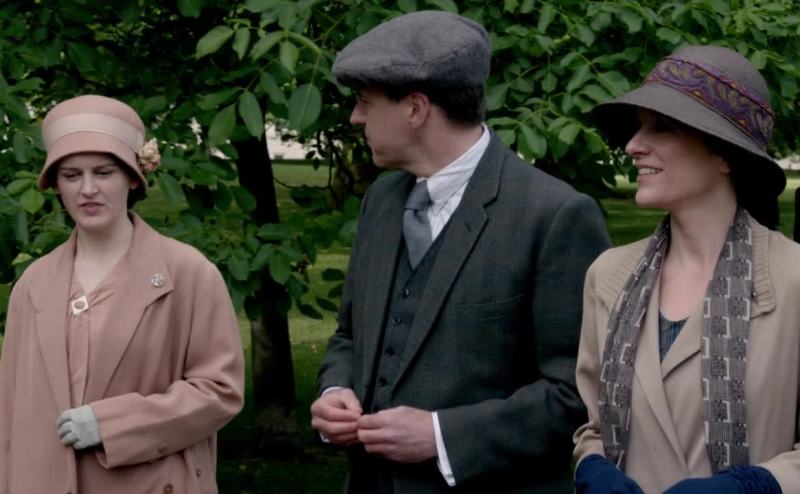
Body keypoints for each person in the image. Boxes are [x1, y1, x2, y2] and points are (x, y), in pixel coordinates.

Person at [310, 10, 610, 492]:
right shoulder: (381, 201)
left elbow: (578, 394)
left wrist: (442, 436)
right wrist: (335, 389)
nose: (355, 117)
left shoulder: (556, 215)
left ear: (415, 109)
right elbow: (349, 335)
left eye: (365, 101)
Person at [573, 45, 800, 493]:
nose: (633, 146)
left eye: (662, 127)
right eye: (638, 127)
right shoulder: (608, 277)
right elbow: (595, 426)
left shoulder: (793, 279)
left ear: (725, 156)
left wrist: (760, 485)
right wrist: (592, 465)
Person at [0, 95, 245, 493]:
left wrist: (113, 424)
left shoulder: (188, 273)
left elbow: (220, 392)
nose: (88, 189)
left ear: (133, 177)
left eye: (104, 172)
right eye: (72, 175)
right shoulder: (33, 284)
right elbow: (9, 413)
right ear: (56, 184)